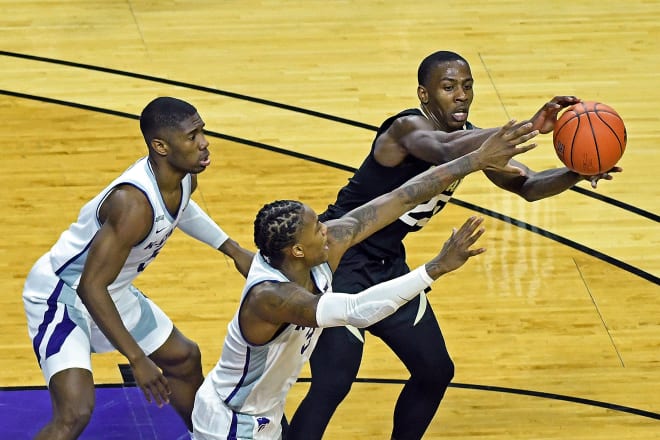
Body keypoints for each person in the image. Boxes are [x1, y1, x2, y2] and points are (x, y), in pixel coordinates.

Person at [288, 50, 623, 440]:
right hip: (339, 260)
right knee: (334, 382)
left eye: (467, 86)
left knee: (434, 370)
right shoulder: (404, 130)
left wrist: (577, 171)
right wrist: (529, 126)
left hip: (386, 265)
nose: (461, 95)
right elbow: (443, 150)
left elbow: (528, 186)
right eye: (448, 87)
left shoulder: (473, 140)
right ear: (424, 94)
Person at [191, 119, 539, 440]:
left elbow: (401, 197)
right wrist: (434, 268)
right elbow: (358, 309)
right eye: (317, 228)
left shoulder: (325, 247)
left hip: (265, 412)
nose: (327, 228)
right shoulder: (273, 298)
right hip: (230, 422)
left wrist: (475, 159)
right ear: (297, 250)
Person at [22, 96, 254, 440]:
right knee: (75, 412)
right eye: (192, 136)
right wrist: (137, 358)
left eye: (202, 131)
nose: (204, 143)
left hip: (110, 289)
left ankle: (206, 436)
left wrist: (232, 249)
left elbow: (181, 209)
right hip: (63, 295)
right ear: (160, 145)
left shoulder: (182, 178)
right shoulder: (132, 205)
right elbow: (89, 287)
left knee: (185, 358)